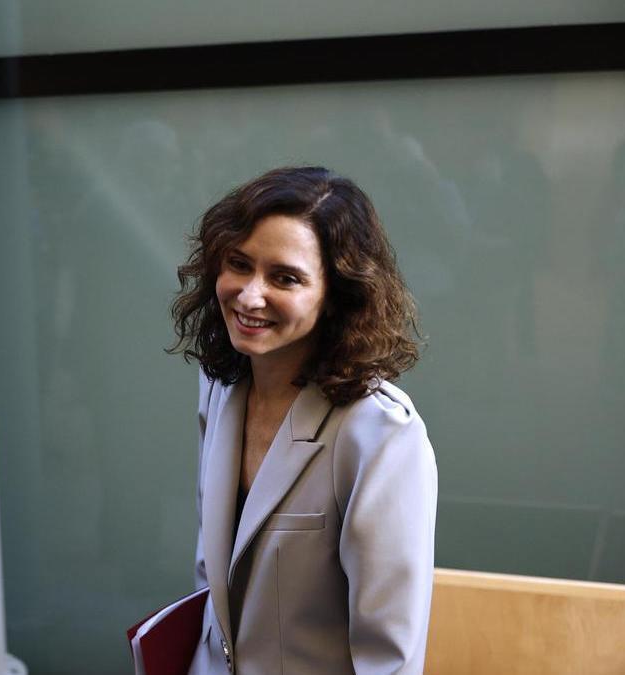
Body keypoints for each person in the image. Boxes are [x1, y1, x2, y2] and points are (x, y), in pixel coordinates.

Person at [170, 166, 437, 674]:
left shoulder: (380, 433)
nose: (250, 296)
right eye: (239, 264)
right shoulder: (221, 386)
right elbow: (214, 578)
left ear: (337, 295)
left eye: (285, 277)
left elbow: (390, 658)